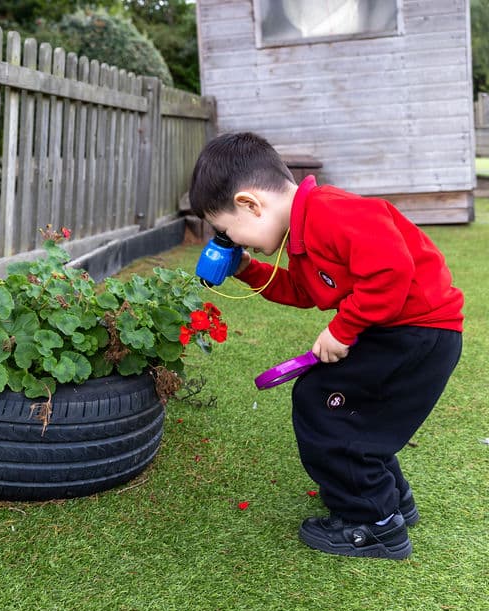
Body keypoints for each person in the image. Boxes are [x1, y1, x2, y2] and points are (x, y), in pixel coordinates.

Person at [188, 131, 464, 560]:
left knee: (324, 404)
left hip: (417, 332)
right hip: (401, 331)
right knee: (350, 409)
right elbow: (304, 291)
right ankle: (388, 500)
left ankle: (373, 525)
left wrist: (343, 329)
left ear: (250, 204)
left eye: (227, 231)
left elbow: (392, 269)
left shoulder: (330, 213)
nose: (233, 241)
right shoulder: (304, 232)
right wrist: (246, 269)